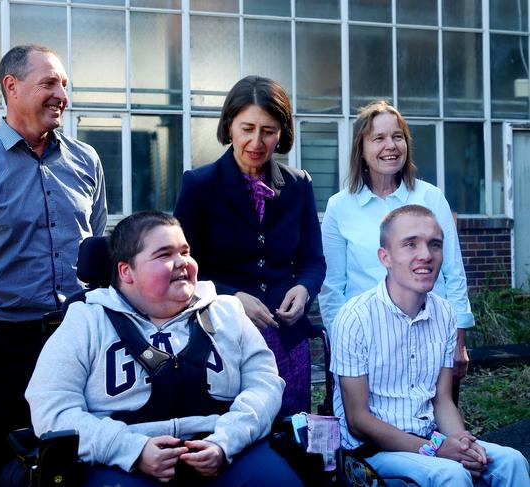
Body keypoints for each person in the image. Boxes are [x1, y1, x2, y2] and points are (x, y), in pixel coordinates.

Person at [24, 211, 303, 486]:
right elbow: (53, 411)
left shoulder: (228, 312)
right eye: (164, 255)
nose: (182, 262)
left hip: (228, 451)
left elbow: (264, 386)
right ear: (126, 271)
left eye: (185, 251)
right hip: (120, 462)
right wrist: (133, 450)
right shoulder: (85, 322)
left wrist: (225, 442)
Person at [0, 44, 107, 483]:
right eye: (49, 83)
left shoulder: (86, 160)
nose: (61, 94)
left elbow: (93, 243)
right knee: (13, 461)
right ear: (11, 87)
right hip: (5, 346)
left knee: (81, 454)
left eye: (64, 84)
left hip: (78, 336)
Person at [331, 205, 529, 486]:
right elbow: (358, 421)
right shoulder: (354, 319)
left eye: (434, 244)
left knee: (512, 461)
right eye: (410, 244)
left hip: (431, 437)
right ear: (384, 257)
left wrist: (461, 444)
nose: (425, 254)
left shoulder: (445, 314)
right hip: (373, 450)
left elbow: (442, 400)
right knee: (452, 473)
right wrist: (438, 450)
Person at [174, 75, 326, 415]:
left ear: (281, 133)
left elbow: (313, 261)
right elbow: (182, 270)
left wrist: (303, 289)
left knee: (292, 436)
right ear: (229, 126)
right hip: (223, 340)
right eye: (247, 128)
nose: (257, 141)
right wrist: (231, 297)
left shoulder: (298, 184)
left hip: (287, 340)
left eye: (268, 131)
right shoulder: (199, 185)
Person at [319, 100, 473, 402]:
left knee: (437, 424)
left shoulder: (430, 197)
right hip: (369, 344)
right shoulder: (340, 206)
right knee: (372, 431)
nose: (390, 146)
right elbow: (332, 287)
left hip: (431, 339)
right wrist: (344, 345)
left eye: (397, 136)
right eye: (378, 138)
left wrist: (458, 339)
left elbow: (454, 273)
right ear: (360, 149)